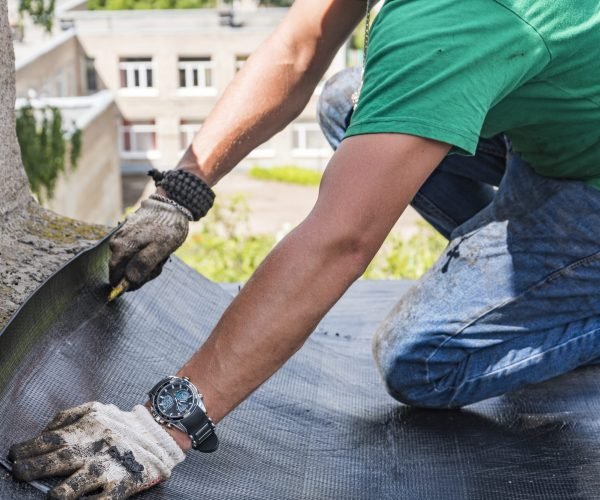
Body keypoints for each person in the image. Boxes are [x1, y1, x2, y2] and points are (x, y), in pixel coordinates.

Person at [9, 0, 600, 497]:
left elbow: (342, 239)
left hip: (586, 183)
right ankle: (529, 272)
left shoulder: (458, 18)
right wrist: (181, 194)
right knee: (353, 99)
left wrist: (164, 425)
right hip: (562, 120)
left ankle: (563, 287)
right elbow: (297, 48)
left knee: (423, 363)